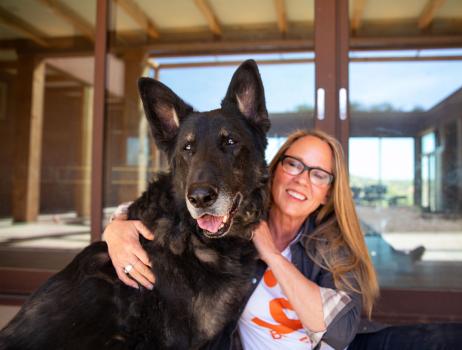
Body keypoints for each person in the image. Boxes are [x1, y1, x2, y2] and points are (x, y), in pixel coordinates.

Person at [103, 129, 380, 349]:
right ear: (274, 169)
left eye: (318, 174)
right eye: (293, 164)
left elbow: (339, 333)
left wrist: (271, 254)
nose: (302, 180)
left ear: (328, 195)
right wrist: (117, 226)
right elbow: (173, 210)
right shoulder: (232, 226)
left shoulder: (333, 248)